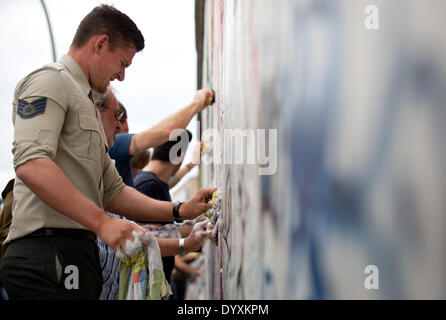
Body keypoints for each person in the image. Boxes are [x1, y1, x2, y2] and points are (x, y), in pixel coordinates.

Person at [0, 4, 215, 300]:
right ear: (100, 43)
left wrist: (178, 211)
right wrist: (102, 222)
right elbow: (32, 163)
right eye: (122, 63)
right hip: (48, 252)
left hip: (73, 255)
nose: (122, 76)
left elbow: (114, 191)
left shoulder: (87, 103)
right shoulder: (49, 80)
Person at [94, 89, 208, 300]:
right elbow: (141, 237)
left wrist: (184, 219)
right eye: (116, 118)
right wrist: (197, 104)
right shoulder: (114, 146)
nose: (120, 128)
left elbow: (141, 236)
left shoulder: (123, 178)